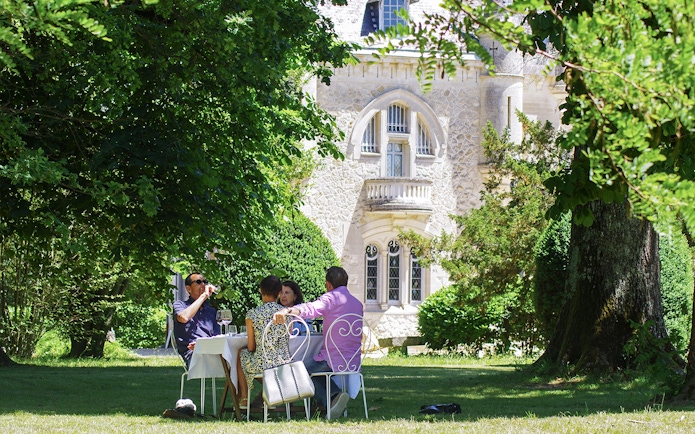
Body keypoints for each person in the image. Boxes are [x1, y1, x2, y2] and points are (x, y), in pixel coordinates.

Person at [273, 266, 363, 418]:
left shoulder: (331, 299)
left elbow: (310, 308)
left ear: (328, 284)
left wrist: (288, 310)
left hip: (333, 360)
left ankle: (332, 399)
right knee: (311, 370)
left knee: (299, 370)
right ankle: (334, 398)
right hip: (353, 362)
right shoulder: (357, 304)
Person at [236, 275, 290, 409]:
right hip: (283, 363)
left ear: (260, 290)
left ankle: (244, 397)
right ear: (279, 293)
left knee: (240, 354)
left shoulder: (252, 314)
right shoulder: (286, 314)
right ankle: (273, 391)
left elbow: (251, 346)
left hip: (263, 364)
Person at [173, 272, 220, 366]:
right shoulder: (180, 305)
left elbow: (217, 337)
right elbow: (183, 317)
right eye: (198, 282)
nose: (203, 285)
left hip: (211, 351)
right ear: (188, 288)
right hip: (193, 355)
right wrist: (203, 296)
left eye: (205, 282)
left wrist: (204, 345)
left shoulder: (211, 311)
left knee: (240, 358)